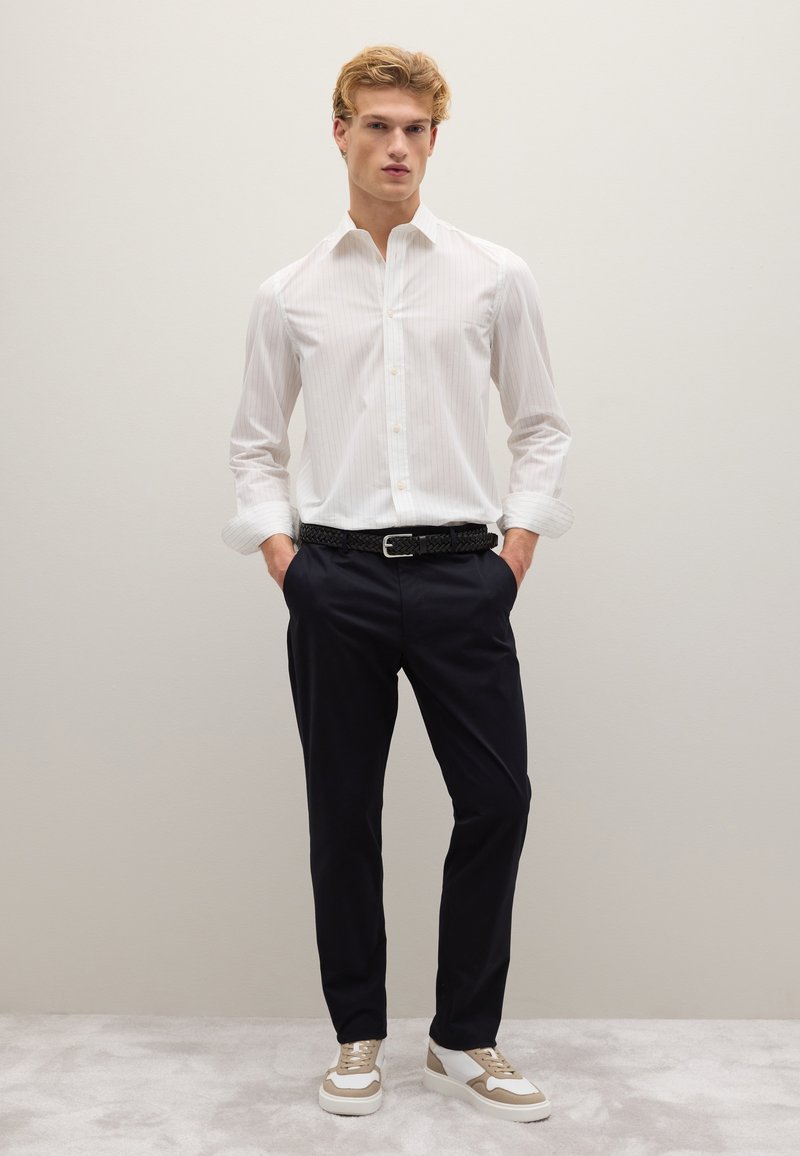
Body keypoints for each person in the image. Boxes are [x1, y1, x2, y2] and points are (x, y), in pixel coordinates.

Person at [221, 44, 573, 1124]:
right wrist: (287, 562)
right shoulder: (289, 293)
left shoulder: (492, 275)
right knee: (344, 813)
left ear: (432, 141)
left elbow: (541, 426)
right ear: (340, 133)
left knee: (498, 799)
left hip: (464, 575)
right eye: (376, 126)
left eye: (415, 130)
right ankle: (357, 1035)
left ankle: (463, 1036)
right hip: (334, 580)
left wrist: (511, 555)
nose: (397, 147)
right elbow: (254, 445)